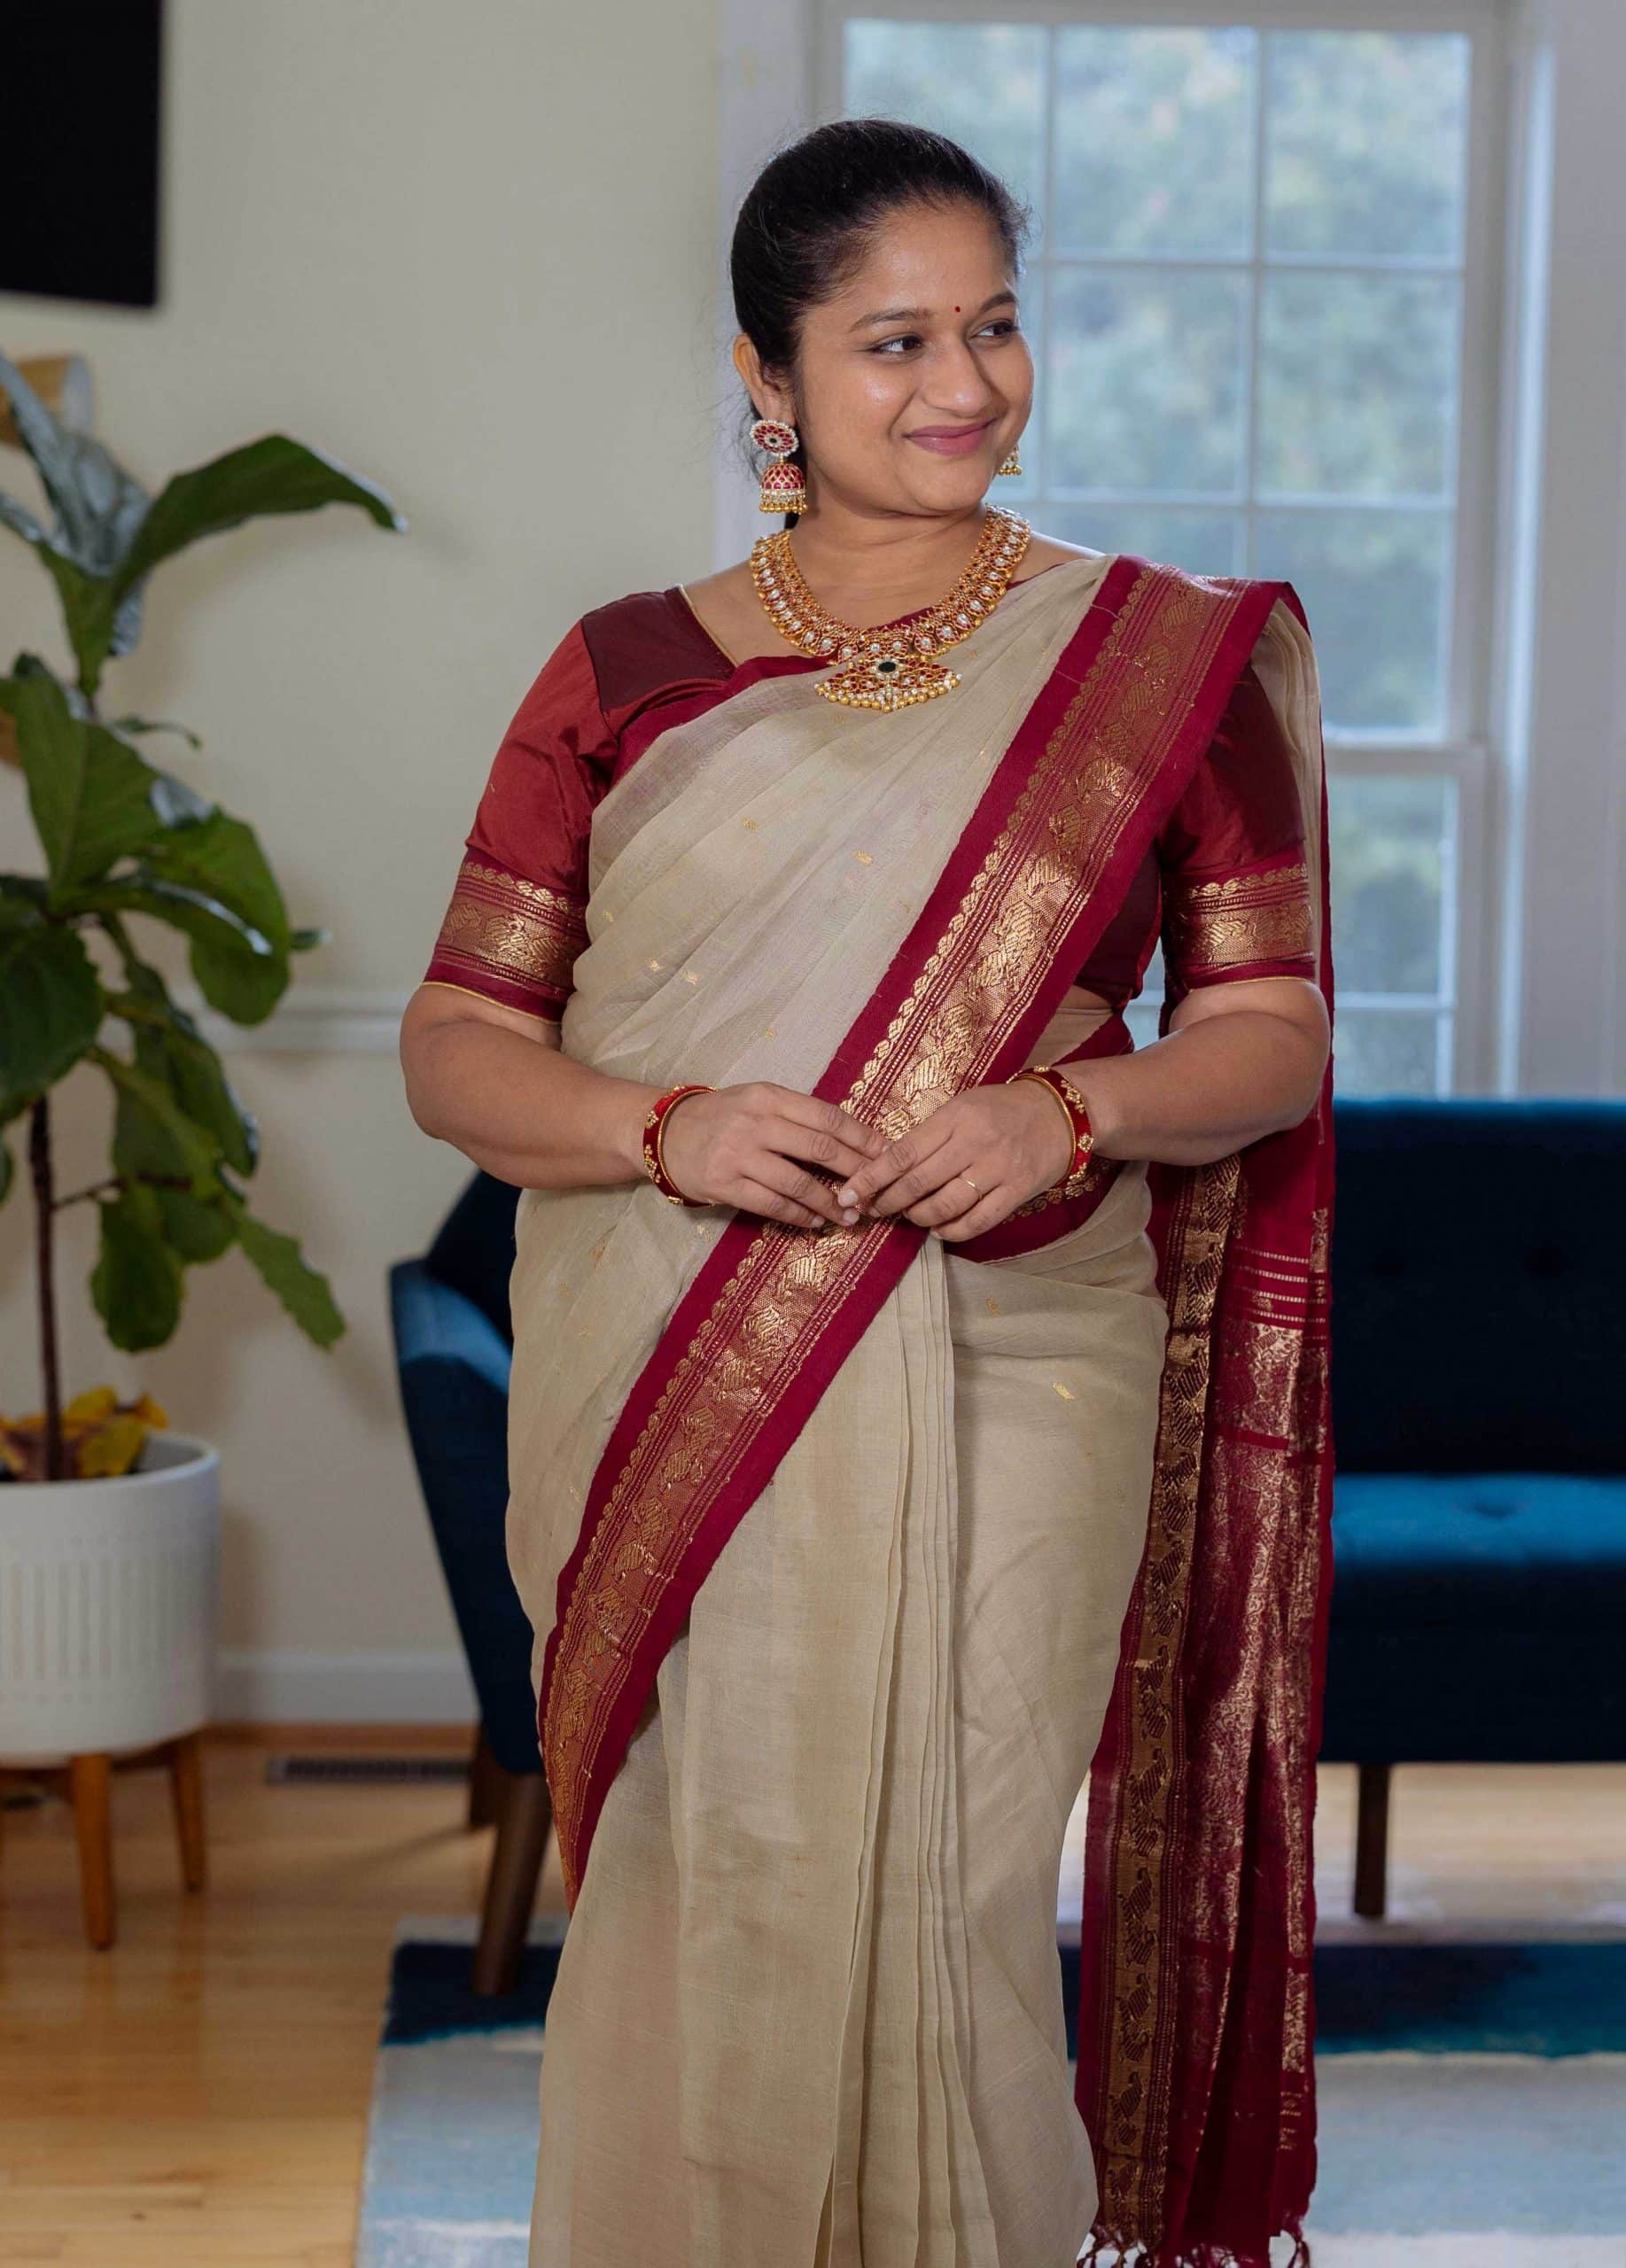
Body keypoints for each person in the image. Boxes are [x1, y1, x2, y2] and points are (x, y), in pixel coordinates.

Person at [399, 116, 1334, 2268]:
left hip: (1030, 1340)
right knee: (719, 1863)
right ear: (769, 379)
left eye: (996, 325)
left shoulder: (1164, 668)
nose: (966, 385)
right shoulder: (630, 669)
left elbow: (1271, 1033)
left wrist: (1067, 1120)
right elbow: (460, 1046)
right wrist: (663, 1128)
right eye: (895, 338)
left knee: (956, 1868)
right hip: (680, 1349)